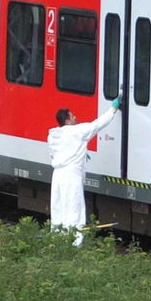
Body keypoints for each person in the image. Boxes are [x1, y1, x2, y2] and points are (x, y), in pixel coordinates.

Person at [48, 97, 120, 246]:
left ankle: (56, 240)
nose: (76, 118)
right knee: (74, 208)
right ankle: (74, 244)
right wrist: (112, 110)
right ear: (67, 121)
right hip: (71, 174)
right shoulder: (77, 131)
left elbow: (53, 154)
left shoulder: (53, 136)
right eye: (73, 116)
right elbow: (97, 125)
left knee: (59, 207)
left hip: (58, 175)